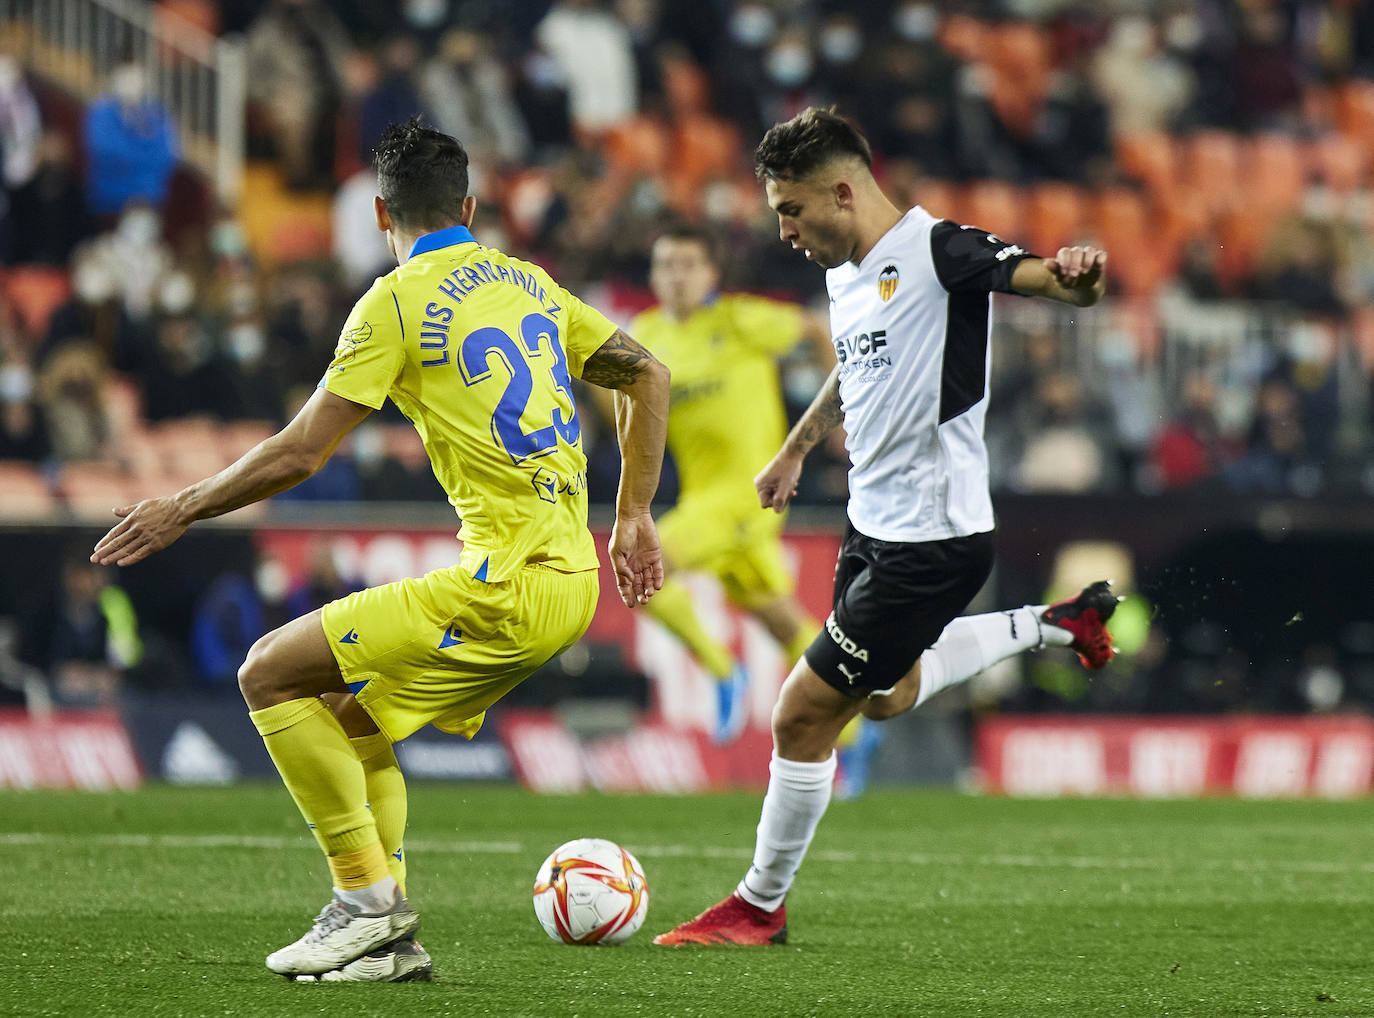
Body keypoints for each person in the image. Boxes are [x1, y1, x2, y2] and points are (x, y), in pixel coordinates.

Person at [91, 118, 669, 981]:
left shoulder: (393, 303)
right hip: (571, 576)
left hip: (507, 583)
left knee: (266, 672)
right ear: (470, 207)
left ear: (377, 213)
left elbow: (299, 451)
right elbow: (647, 374)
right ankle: (390, 945)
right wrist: (633, 516)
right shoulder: (527, 280)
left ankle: (364, 905)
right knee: (352, 716)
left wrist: (182, 506)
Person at [654, 106, 1118, 947]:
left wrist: (1080, 272)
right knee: (886, 696)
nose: (785, 230)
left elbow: (1054, 281)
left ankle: (758, 907)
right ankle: (1055, 623)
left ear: (840, 190)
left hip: (932, 539)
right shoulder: (844, 272)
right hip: (872, 525)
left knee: (800, 714)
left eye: (791, 210)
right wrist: (794, 452)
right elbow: (851, 366)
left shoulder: (939, 251)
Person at [614, 222, 832, 743]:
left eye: (689, 265)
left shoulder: (739, 320)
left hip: (749, 494)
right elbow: (617, 398)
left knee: (641, 562)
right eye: (666, 265)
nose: (677, 276)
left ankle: (721, 669)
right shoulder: (646, 333)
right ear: (653, 275)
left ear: (711, 273)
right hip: (703, 497)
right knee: (779, 620)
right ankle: (853, 731)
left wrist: (838, 422)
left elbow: (816, 332)